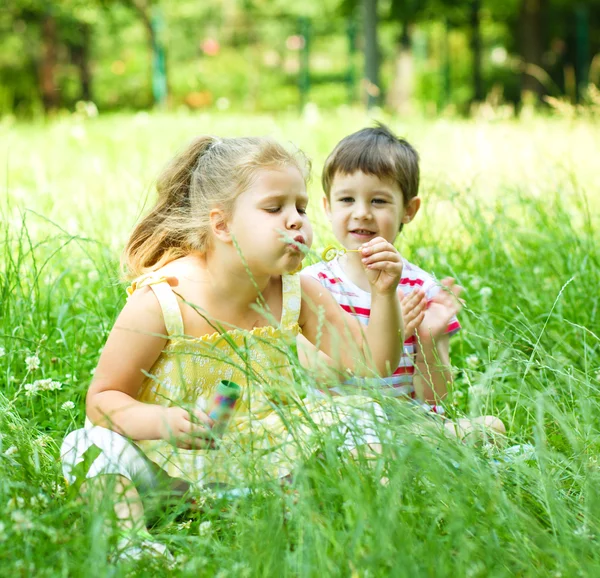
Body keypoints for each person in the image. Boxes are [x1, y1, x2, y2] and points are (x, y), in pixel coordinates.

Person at [60, 135, 404, 559]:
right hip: (165, 466)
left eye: (301, 207)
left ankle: (370, 518)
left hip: (266, 461)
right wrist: (164, 421)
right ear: (221, 225)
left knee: (361, 413)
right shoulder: (164, 300)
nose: (295, 220)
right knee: (86, 445)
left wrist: (385, 294)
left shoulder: (299, 293)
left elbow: (372, 363)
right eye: (275, 208)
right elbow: (102, 401)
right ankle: (132, 542)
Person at [301, 124, 505, 439]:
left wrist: (428, 337)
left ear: (408, 210)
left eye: (379, 201)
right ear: (327, 207)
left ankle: (413, 450)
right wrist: (388, 337)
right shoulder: (314, 284)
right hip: (341, 424)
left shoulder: (420, 288)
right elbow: (322, 374)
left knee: (492, 427)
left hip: (407, 425)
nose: (362, 213)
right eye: (346, 200)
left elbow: (433, 397)